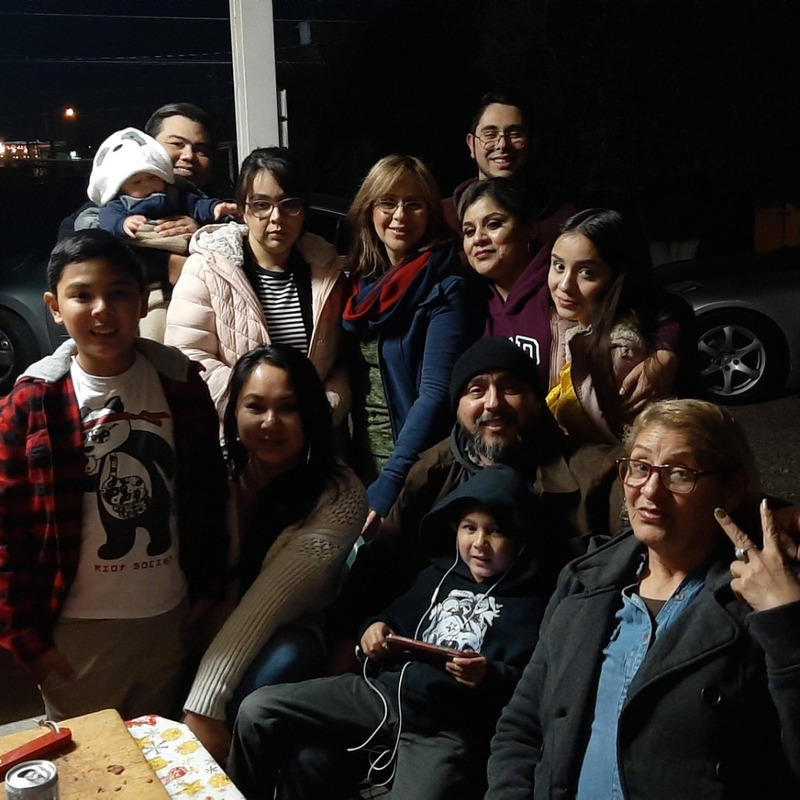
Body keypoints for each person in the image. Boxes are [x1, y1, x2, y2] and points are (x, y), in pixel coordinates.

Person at [486, 398, 800, 799]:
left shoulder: (766, 598)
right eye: (639, 467)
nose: (650, 490)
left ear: (732, 487)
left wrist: (786, 622)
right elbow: (522, 725)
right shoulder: (585, 582)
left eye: (679, 474)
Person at [0, 230, 228, 721]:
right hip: (77, 631)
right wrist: (27, 643)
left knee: (158, 752)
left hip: (167, 618)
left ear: (143, 301)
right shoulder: (32, 402)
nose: (102, 310)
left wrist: (207, 593)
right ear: (55, 307)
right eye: (82, 295)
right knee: (92, 760)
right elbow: (7, 531)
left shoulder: (181, 384)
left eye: (118, 293)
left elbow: (208, 496)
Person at [228, 464, 546, 800]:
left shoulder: (533, 607)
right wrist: (372, 629)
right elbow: (391, 620)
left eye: (496, 532)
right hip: (381, 696)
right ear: (455, 528)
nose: (480, 543)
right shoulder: (434, 576)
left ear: (519, 536)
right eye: (470, 528)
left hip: (443, 730)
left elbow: (531, 689)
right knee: (257, 711)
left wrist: (489, 675)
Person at [326, 336, 623, 654]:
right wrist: (353, 634)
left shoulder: (596, 473)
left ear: (537, 400)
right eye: (476, 390)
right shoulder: (433, 470)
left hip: (539, 655)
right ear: (457, 407)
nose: (493, 403)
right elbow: (382, 562)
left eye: (511, 388)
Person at [181, 344, 366, 765]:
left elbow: (266, 605)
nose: (270, 423)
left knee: (286, 656)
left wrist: (203, 707)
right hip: (203, 623)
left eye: (288, 408)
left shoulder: (340, 494)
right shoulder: (216, 469)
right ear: (234, 412)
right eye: (255, 406)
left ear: (311, 414)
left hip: (281, 632)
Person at [459, 183, 693, 438]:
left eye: (494, 224)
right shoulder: (469, 298)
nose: (479, 238)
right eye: (469, 231)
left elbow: (664, 306)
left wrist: (666, 351)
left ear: (530, 228)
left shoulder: (559, 291)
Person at [164, 147, 350, 422]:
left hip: (311, 431)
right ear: (243, 210)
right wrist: (257, 409)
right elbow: (188, 358)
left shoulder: (326, 269)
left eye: (289, 204)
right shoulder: (208, 268)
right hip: (238, 433)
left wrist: (321, 411)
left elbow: (340, 361)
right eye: (261, 205)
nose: (276, 218)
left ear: (303, 210)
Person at [342, 154, 477, 526]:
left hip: (410, 473)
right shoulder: (359, 286)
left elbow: (435, 394)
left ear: (430, 213)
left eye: (414, 204)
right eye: (388, 202)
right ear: (369, 210)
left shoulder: (446, 286)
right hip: (356, 468)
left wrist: (391, 481)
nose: (400, 215)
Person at [57, 103, 220, 341]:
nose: (188, 156)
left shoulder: (214, 207)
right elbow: (73, 256)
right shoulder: (109, 207)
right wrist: (166, 264)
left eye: (201, 149)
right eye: (177, 144)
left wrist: (203, 232)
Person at [442, 90, 574, 262]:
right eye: (490, 134)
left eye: (514, 134)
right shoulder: (442, 218)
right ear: (471, 144)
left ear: (532, 143)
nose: (502, 144)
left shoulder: (563, 221)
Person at [84, 127, 236, 244]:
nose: (147, 185)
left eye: (153, 177)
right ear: (120, 188)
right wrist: (123, 224)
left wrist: (215, 207)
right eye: (136, 182)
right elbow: (107, 217)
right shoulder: (121, 204)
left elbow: (197, 204)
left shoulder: (174, 194)